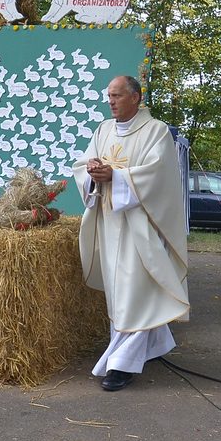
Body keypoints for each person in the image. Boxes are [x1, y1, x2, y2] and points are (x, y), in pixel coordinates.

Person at [73, 75, 189, 392]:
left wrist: (117, 175)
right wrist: (93, 171)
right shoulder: (103, 130)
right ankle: (154, 344)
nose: (110, 101)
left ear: (136, 97)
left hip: (141, 224)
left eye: (117, 95)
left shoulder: (156, 132)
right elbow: (83, 163)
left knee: (134, 292)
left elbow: (159, 175)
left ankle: (121, 365)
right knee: (120, 292)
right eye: (108, 96)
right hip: (110, 222)